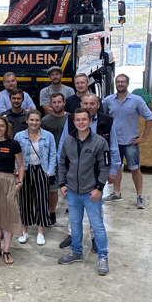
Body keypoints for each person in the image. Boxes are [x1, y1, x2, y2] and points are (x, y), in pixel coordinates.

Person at [57, 93, 120, 250]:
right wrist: (62, 179)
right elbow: (63, 147)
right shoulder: (71, 120)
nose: (89, 106)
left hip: (96, 175)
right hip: (74, 176)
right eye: (85, 103)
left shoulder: (107, 121)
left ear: (98, 105)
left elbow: (113, 146)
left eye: (92, 103)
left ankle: (95, 239)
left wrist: (113, 170)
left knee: (95, 213)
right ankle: (73, 236)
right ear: (81, 104)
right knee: (74, 214)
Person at [58, 108, 110, 276]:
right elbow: (62, 163)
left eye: (84, 119)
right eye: (78, 120)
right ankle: (76, 252)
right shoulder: (68, 140)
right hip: (72, 192)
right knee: (75, 223)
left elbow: (105, 167)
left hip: (91, 193)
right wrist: (62, 184)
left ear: (90, 121)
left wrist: (99, 188)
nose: (81, 122)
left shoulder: (100, 142)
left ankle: (103, 256)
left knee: (97, 225)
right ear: (74, 122)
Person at [102, 73, 152, 208]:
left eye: (123, 82)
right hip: (114, 142)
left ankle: (139, 196)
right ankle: (116, 193)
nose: (120, 84)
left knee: (135, 169)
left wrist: (143, 137)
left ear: (128, 84)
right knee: (116, 167)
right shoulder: (108, 100)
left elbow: (149, 117)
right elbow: (101, 116)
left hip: (130, 142)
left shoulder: (136, 100)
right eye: (118, 82)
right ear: (115, 84)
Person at [0, 115, 25, 265]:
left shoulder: (14, 144)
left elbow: (20, 165)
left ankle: (7, 250)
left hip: (9, 180)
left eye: (1, 126)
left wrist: (19, 183)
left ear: (6, 127)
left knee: (9, 215)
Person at [14, 109, 56, 246]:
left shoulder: (48, 136)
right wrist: (17, 173)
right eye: (31, 120)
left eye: (37, 120)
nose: (34, 122)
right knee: (24, 201)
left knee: (41, 201)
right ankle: (24, 231)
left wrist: (49, 171)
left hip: (41, 170)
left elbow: (52, 154)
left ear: (40, 121)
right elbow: (15, 156)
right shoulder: (19, 136)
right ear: (27, 120)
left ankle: (40, 232)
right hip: (25, 171)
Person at [41, 92, 68, 225]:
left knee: (70, 188)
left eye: (59, 102)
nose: (57, 105)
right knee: (52, 189)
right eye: (54, 102)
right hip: (50, 159)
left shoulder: (71, 118)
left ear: (64, 103)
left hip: (68, 159)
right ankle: (51, 214)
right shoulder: (45, 121)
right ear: (50, 104)